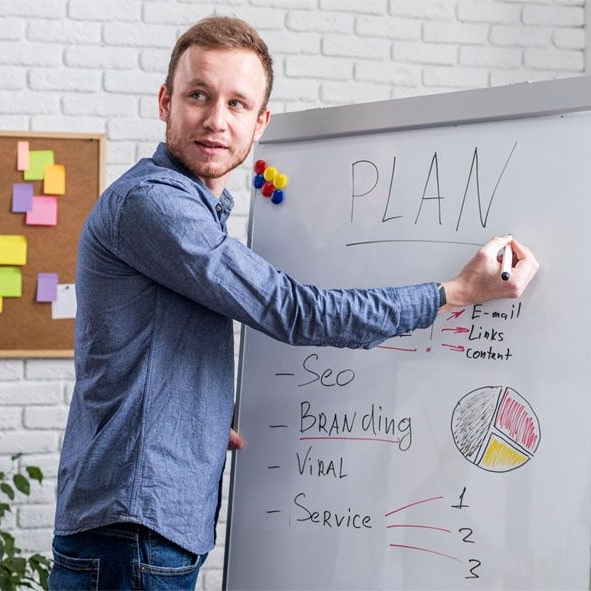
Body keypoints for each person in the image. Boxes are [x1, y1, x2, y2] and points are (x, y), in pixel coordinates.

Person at [49, 16, 539, 591]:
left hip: (139, 528)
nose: (216, 119)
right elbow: (293, 309)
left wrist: (200, 414)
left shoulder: (190, 210)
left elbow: (153, 345)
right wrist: (455, 293)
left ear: (260, 123)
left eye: (237, 104)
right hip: (131, 533)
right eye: (199, 95)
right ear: (166, 102)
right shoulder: (155, 205)